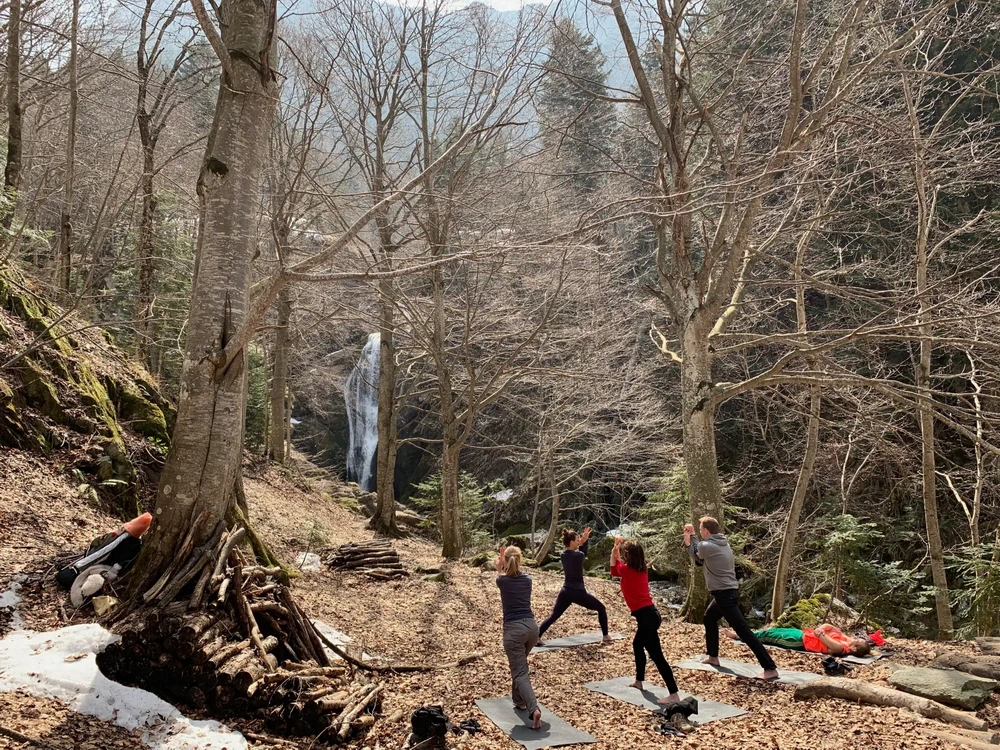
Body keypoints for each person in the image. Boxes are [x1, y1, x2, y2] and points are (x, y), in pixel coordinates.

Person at [684, 517, 779, 680]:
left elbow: (695, 552)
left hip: (724, 595)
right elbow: (701, 561)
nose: (700, 532)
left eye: (700, 529)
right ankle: (713, 656)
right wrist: (692, 537)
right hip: (726, 593)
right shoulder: (722, 542)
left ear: (706, 531)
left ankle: (770, 668)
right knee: (709, 618)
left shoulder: (708, 545)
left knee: (743, 631)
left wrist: (688, 540)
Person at [610, 537, 681, 705]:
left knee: (657, 656)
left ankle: (674, 694)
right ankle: (639, 681)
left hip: (647, 617)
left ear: (628, 555)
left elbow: (614, 569)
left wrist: (615, 550)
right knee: (637, 645)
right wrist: (617, 550)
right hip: (650, 615)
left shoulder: (627, 570)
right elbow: (616, 568)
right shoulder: (643, 569)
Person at [495, 545, 542, 729]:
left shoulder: (502, 582)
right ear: (520, 560)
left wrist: (500, 567)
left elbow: (500, 575)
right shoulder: (528, 580)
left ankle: (534, 709)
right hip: (532, 629)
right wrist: (504, 564)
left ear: (506, 561)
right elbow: (508, 573)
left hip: (514, 631)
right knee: (519, 666)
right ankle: (519, 701)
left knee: (520, 672)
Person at [537, 527, 611, 644]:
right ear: (571, 542)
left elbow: (580, 550)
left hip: (566, 591)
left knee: (554, 616)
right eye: (576, 540)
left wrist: (582, 540)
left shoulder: (563, 555)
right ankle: (606, 636)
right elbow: (583, 552)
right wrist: (585, 540)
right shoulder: (578, 556)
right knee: (601, 608)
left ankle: (537, 636)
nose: (578, 541)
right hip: (578, 592)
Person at [722, 623, 872, 657]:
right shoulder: (845, 639)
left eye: (857, 642)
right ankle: (743, 634)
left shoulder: (841, 648)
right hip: (802, 633)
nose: (856, 638)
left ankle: (739, 636)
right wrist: (821, 628)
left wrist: (821, 632)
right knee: (773, 630)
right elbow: (829, 626)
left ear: (854, 649)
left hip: (800, 641)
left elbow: (824, 637)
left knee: (768, 636)